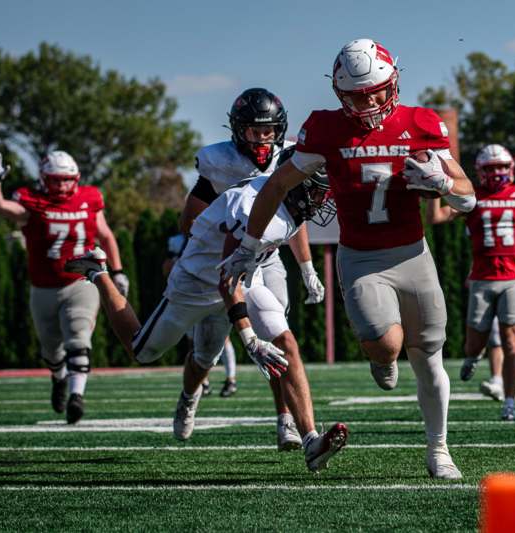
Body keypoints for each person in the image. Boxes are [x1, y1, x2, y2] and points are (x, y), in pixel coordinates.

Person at [221, 38, 476, 479]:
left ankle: (439, 450)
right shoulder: (326, 129)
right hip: (361, 257)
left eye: (376, 89)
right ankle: (382, 359)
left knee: (429, 356)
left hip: (414, 254)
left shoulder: (421, 122)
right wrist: (248, 245)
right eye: (358, 93)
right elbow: (277, 186)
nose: (369, 99)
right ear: (341, 93)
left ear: (392, 81)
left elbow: (468, 198)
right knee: (386, 343)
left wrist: (443, 185)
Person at [64, 148, 347, 472]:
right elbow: (225, 277)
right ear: (296, 185)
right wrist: (249, 339)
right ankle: (98, 272)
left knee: (287, 343)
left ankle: (310, 440)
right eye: (318, 191)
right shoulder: (253, 206)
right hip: (198, 282)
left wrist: (307, 269)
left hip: (246, 279)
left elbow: (244, 270)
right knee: (142, 350)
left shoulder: (289, 203)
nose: (324, 200)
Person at [182, 88, 325, 448]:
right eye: (254, 130)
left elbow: (298, 214)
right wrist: (223, 235)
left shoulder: (287, 158)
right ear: (238, 130)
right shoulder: (221, 163)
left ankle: (286, 421)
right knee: (206, 352)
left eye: (269, 130)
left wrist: (307, 268)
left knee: (280, 339)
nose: (263, 138)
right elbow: (189, 221)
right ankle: (190, 395)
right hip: (222, 259)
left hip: (267, 258)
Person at [0, 150, 128, 424]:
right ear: (44, 179)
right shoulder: (32, 201)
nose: (62, 186)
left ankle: (77, 396)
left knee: (79, 337)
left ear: (76, 179)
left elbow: (105, 234)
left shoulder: (89, 198)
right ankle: (59, 377)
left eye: (66, 180)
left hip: (81, 281)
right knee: (51, 350)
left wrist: (118, 271)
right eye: (56, 180)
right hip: (43, 287)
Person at [426, 144, 515, 421]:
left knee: (511, 341)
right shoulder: (472, 197)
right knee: (474, 342)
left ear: (511, 168)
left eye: (501, 167)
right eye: (490, 168)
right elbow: (436, 218)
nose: (497, 173)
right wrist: (435, 188)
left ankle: (510, 402)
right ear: (480, 171)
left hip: (513, 277)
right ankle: (474, 357)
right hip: (483, 278)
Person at [164, 232, 237, 398]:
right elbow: (167, 265)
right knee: (193, 340)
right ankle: (202, 381)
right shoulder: (177, 241)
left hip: (213, 290)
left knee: (223, 338)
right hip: (189, 292)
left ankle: (230, 378)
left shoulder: (213, 234)